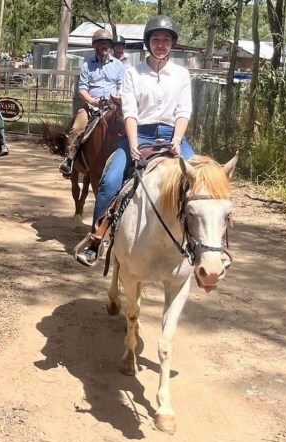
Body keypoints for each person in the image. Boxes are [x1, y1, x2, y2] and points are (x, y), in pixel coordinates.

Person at [75, 15, 196, 267]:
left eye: (165, 39)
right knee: (109, 181)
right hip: (140, 133)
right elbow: (129, 111)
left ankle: (201, 245)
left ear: (172, 44)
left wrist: (177, 138)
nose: (161, 44)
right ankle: (97, 239)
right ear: (148, 43)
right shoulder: (133, 73)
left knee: (201, 180)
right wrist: (131, 143)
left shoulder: (182, 74)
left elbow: (184, 111)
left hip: (173, 133)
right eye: (156, 39)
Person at [58, 28, 124, 179]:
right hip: (92, 105)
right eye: (101, 42)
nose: (104, 45)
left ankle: (133, 158)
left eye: (107, 43)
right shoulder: (87, 65)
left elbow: (122, 86)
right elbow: (82, 89)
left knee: (127, 126)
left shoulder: (118, 65)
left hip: (113, 105)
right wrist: (93, 101)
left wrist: (117, 98)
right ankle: (70, 159)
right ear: (95, 45)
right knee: (76, 129)